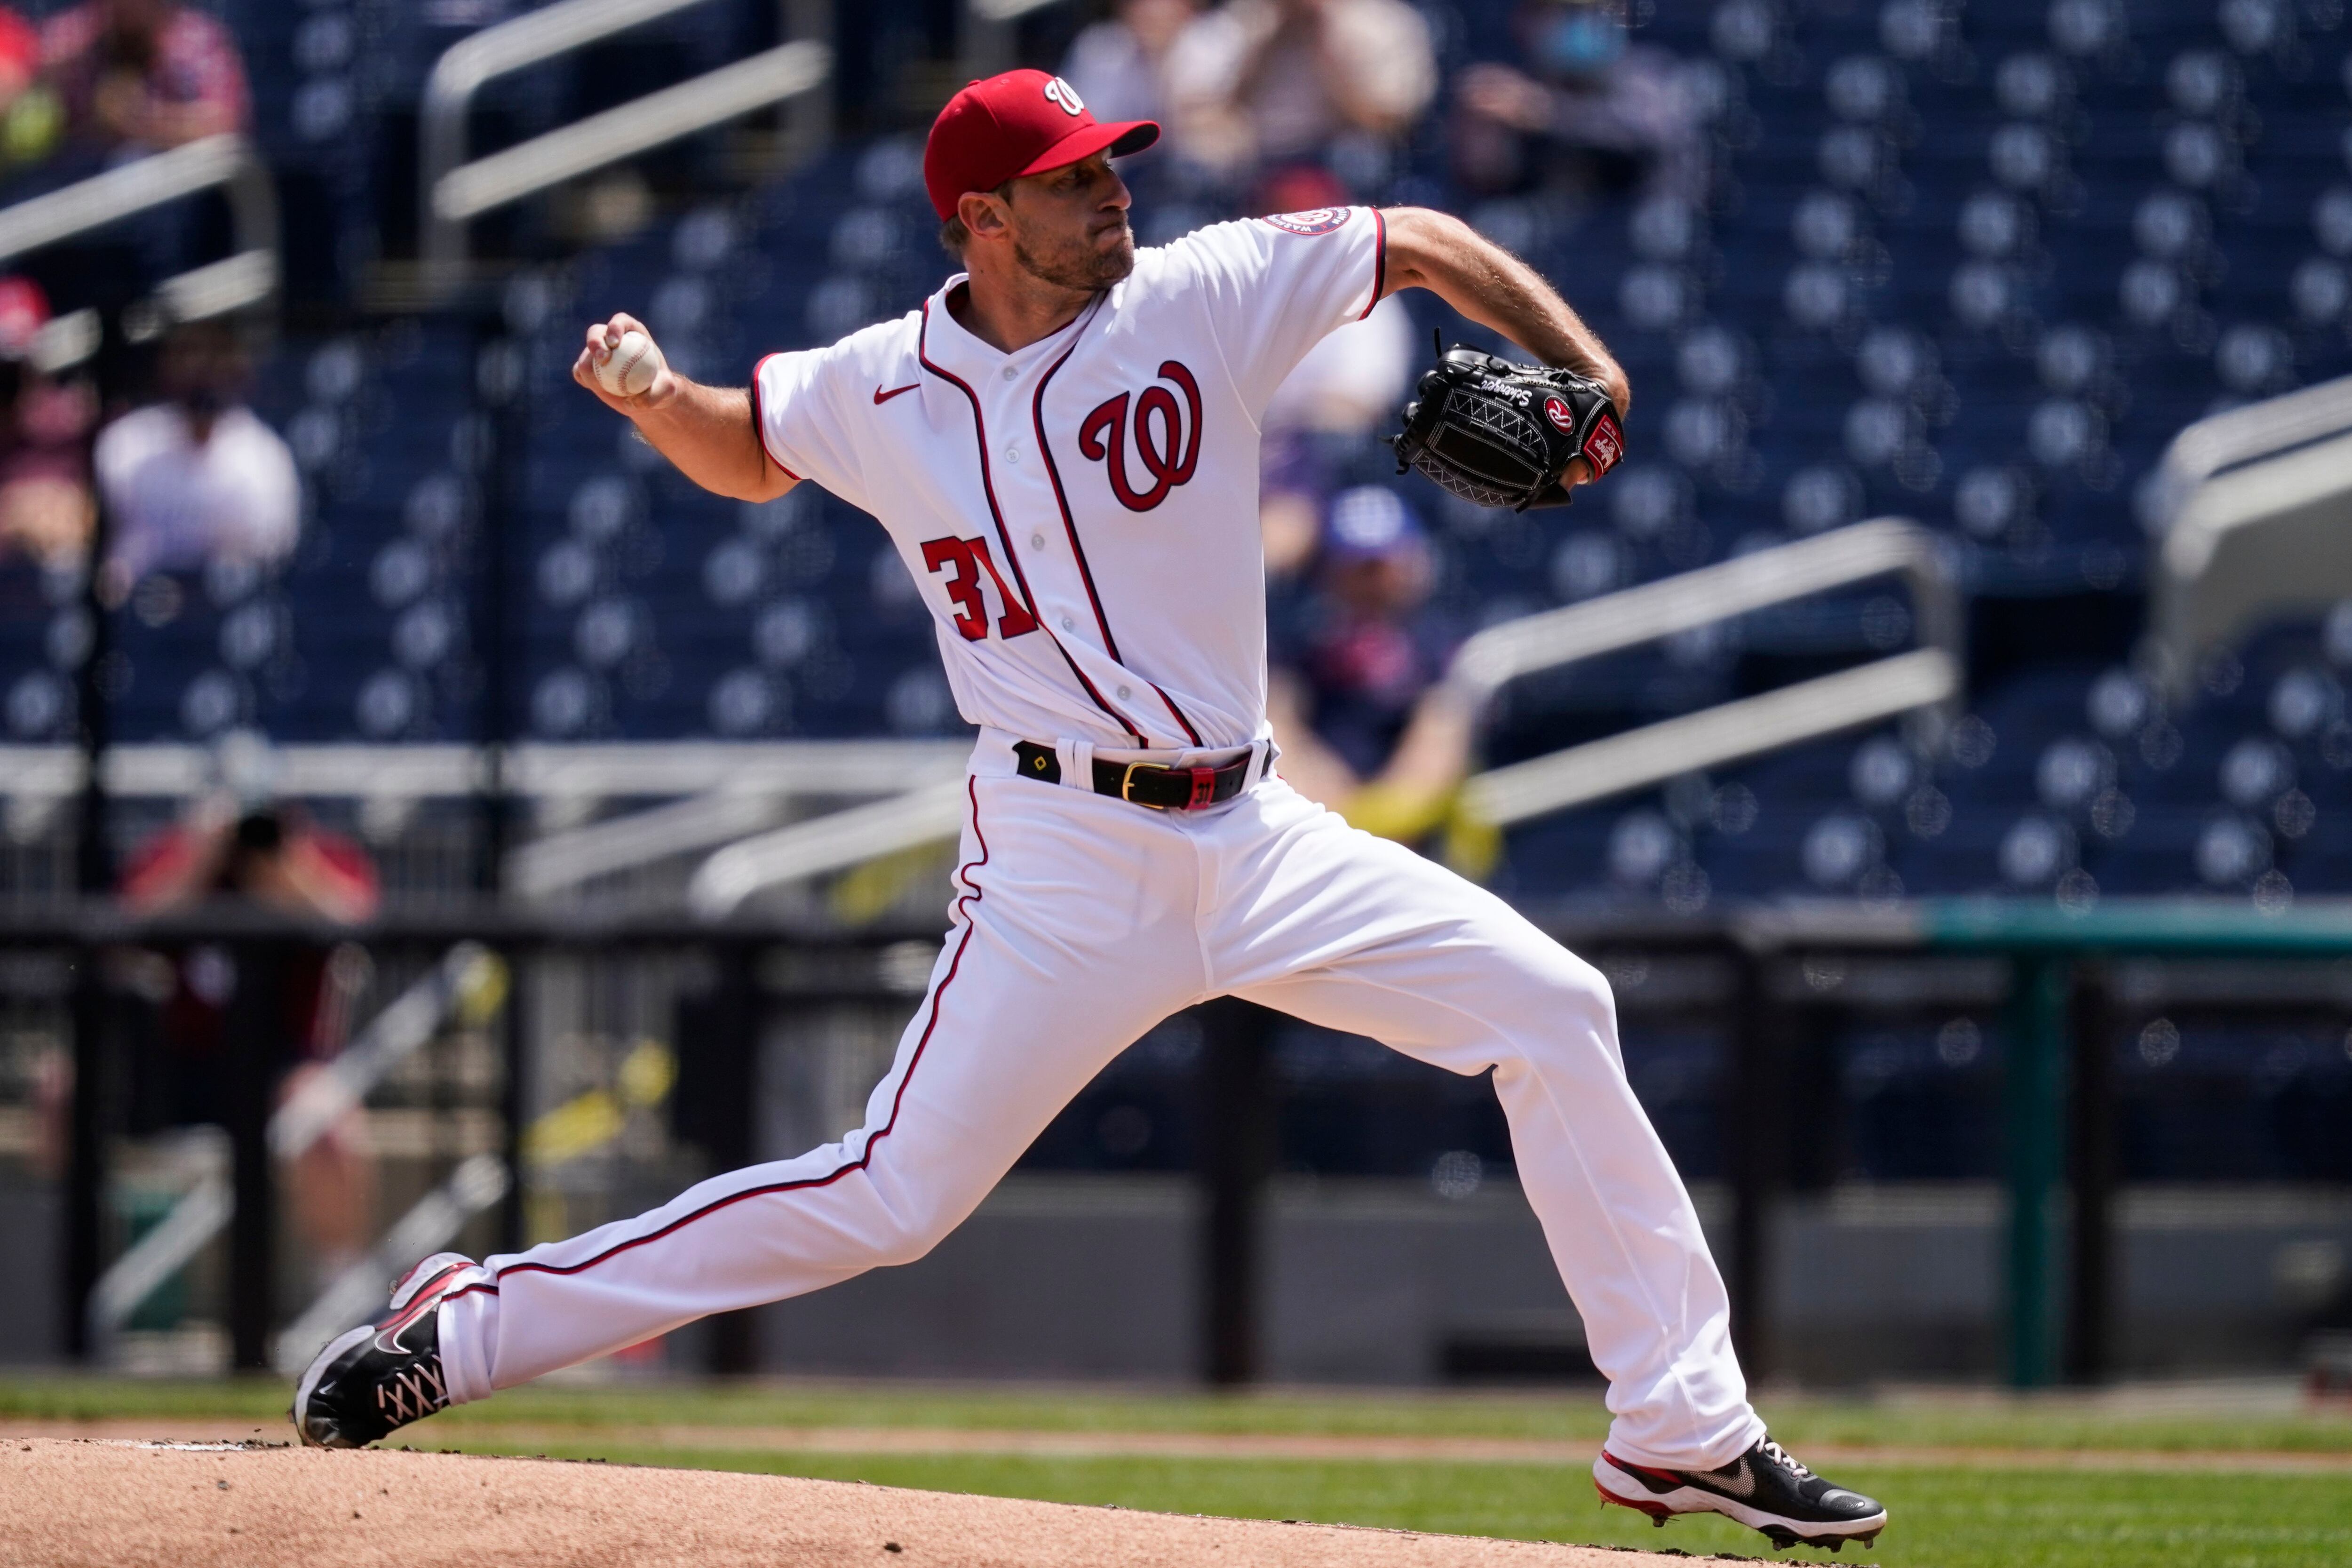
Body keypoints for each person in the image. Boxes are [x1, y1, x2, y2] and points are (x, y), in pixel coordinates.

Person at [293, 68, 1887, 1553]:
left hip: (1260, 836)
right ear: (982, 220)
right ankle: (470, 1323)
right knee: (892, 1196)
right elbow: (753, 448)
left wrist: (1589, 372)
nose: (1114, 190)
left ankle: (1682, 1423)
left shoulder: (1202, 293)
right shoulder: (882, 385)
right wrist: (654, 400)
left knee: (1555, 1006)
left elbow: (1419, 240)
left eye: (1112, 162)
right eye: (1070, 178)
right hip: (1062, 860)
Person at [1264, 486, 1478, 843]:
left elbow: (1429, 769)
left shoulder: (1439, 648)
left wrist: (1370, 819)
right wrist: (1328, 809)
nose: (1371, 582)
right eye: (1356, 567)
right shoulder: (1301, 645)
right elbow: (1281, 736)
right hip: (1316, 833)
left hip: (1413, 844)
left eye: (1382, 566)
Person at [92, 318, 299, 598]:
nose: (200, 373)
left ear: (238, 372)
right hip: (141, 606)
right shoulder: (127, 443)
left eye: (214, 361)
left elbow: (273, 553)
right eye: (188, 358)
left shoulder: (264, 457)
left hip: (225, 608)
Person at [1452, 0, 1705, 204]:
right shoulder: (1520, 89)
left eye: (1583, 13)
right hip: (1553, 246)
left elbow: (1645, 140)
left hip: (1641, 234)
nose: (1575, 23)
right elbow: (1497, 183)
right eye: (1559, 13)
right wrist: (1484, 142)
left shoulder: (1649, 74)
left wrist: (1546, 112)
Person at [1164, 0, 1435, 179]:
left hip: (1336, 162)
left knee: (1360, 159)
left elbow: (1384, 120)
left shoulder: (1384, 22)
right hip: (1258, 163)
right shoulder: (1251, 19)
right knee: (1194, 168)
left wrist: (1323, 30)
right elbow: (1213, 109)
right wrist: (1267, 40)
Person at [38, 0, 247, 155]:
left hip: (180, 187)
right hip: (84, 183)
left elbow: (227, 126)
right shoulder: (75, 40)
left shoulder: (194, 41)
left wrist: (140, 120)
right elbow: (24, 77)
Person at [1059, 0, 1200, 131]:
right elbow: (1089, 123)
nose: (1153, 10)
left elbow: (1199, 132)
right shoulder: (1099, 47)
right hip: (1120, 149)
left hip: (1182, 154)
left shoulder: (1206, 46)